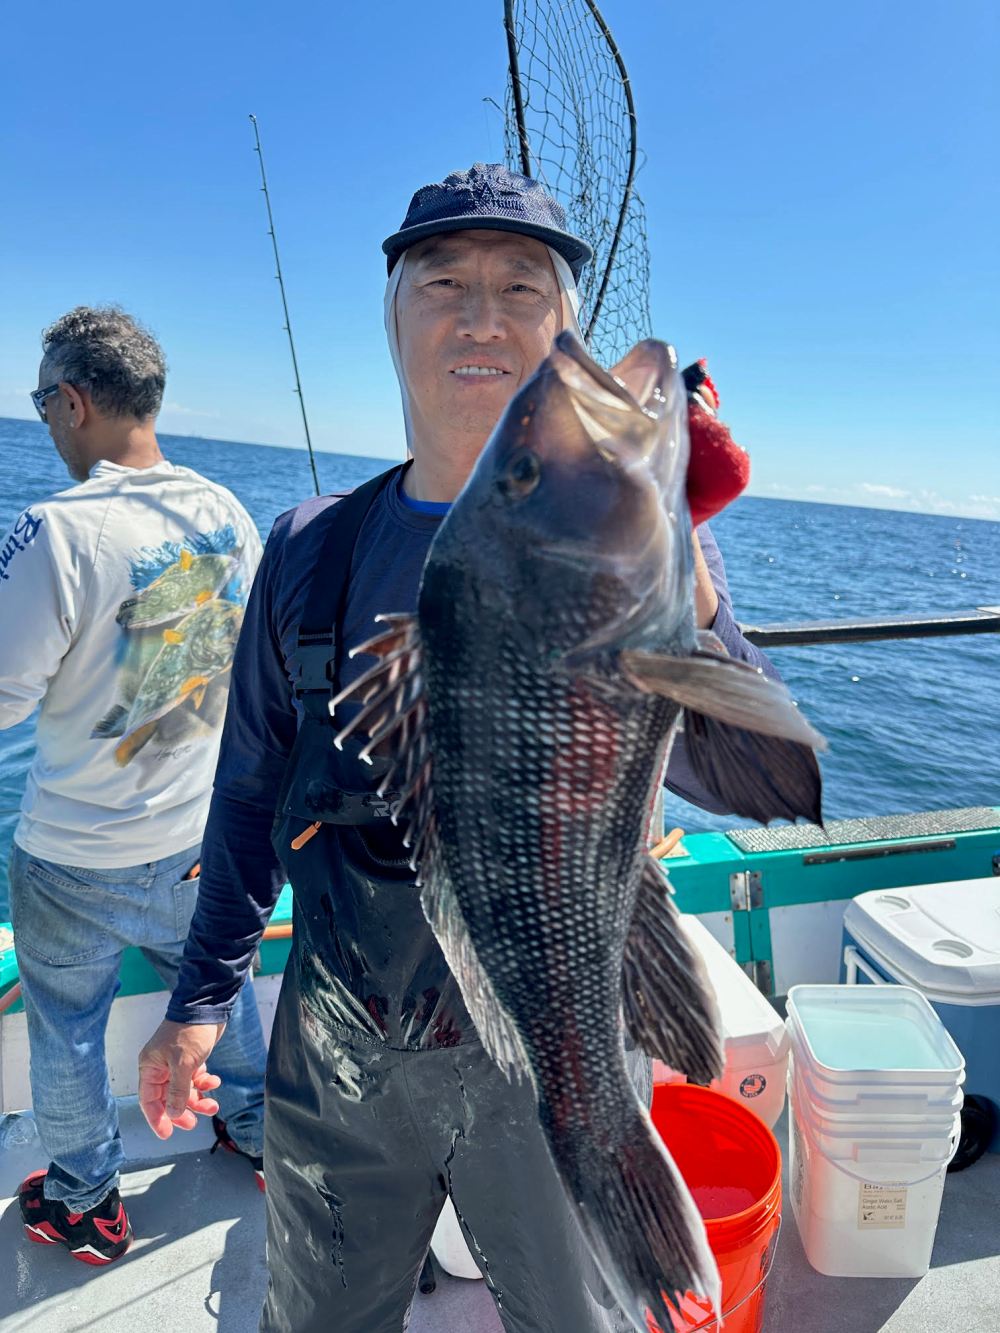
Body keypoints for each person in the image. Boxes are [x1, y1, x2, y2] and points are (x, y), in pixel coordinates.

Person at [138, 165, 783, 1331]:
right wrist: (200, 998)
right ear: (392, 314)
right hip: (339, 1032)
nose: (482, 316)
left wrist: (690, 595)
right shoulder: (308, 546)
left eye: (521, 287)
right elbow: (249, 790)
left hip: (559, 1024)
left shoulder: (643, 541)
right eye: (442, 283)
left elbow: (747, 770)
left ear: (564, 326)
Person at [2, 306, 268, 1266]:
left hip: (71, 858)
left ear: (74, 402)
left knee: (66, 1026)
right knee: (218, 982)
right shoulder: (229, 511)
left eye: (43, 401)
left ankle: (86, 1202)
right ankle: (258, 1127)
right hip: (199, 842)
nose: (45, 418)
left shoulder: (53, 528)